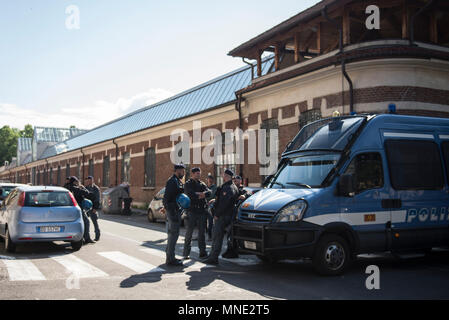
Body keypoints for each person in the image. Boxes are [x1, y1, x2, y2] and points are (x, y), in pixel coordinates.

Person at [202, 169, 239, 265]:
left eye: (223, 175)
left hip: (223, 216)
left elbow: (224, 204)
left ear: (226, 176)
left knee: (217, 237)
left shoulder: (228, 188)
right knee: (217, 237)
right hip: (228, 216)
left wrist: (217, 215)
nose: (222, 176)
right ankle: (212, 256)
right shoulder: (233, 186)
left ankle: (213, 258)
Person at [182, 168, 211, 259]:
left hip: (202, 211)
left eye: (199, 173)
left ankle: (202, 252)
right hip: (191, 211)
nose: (199, 175)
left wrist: (203, 194)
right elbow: (189, 194)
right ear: (193, 174)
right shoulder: (188, 184)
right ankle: (186, 253)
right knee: (189, 233)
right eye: (197, 173)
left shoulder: (202, 184)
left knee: (202, 233)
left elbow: (209, 192)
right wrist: (201, 195)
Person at [222, 175, 251, 259]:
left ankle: (233, 252)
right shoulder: (232, 188)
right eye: (234, 179)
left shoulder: (243, 190)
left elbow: (248, 194)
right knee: (230, 234)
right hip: (231, 214)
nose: (235, 181)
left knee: (233, 234)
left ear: (240, 181)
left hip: (238, 216)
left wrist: (244, 196)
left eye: (237, 179)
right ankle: (229, 250)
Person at [163, 164, 186, 266]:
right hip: (173, 211)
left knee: (172, 234)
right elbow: (167, 198)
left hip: (174, 210)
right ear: (178, 171)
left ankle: (169, 255)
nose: (184, 173)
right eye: (182, 171)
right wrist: (170, 210)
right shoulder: (172, 181)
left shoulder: (176, 181)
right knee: (174, 234)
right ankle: (170, 258)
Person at [65, 176, 95, 244]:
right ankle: (86, 238)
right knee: (86, 222)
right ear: (75, 182)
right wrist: (82, 187)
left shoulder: (65, 187)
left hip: (66, 208)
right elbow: (87, 193)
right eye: (77, 181)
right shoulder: (75, 188)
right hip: (77, 208)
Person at [85, 176, 101, 241]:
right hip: (86, 207)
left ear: (93, 180)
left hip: (93, 207)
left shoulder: (96, 188)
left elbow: (98, 199)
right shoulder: (86, 188)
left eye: (90, 180)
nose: (89, 182)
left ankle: (97, 235)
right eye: (88, 181)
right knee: (85, 222)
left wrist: (95, 208)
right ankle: (86, 236)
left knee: (94, 222)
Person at [205, 175, 217, 241]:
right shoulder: (205, 187)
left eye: (211, 179)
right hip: (204, 206)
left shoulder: (215, 188)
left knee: (210, 222)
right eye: (208, 179)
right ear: (207, 180)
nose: (209, 180)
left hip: (211, 207)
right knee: (203, 222)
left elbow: (216, 196)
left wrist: (213, 200)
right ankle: (203, 235)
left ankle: (210, 236)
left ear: (212, 180)